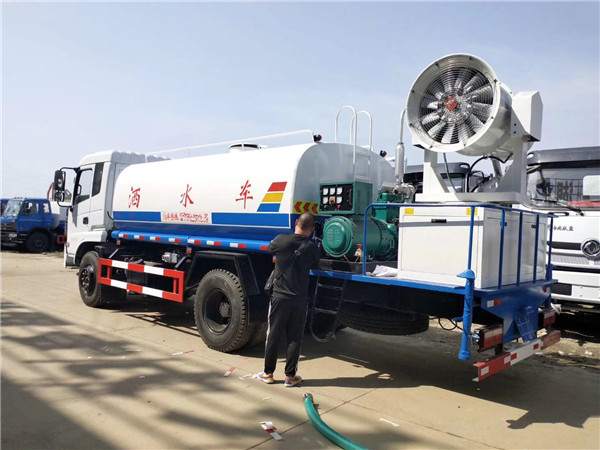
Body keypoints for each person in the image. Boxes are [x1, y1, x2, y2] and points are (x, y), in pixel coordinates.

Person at [257, 212, 320, 387]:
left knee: (273, 334)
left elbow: (269, 249)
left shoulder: (280, 240)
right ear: (312, 230)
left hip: (279, 297)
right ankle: (290, 377)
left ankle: (268, 373)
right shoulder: (312, 247)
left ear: (296, 222)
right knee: (294, 337)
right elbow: (315, 264)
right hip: (299, 299)